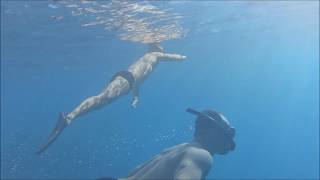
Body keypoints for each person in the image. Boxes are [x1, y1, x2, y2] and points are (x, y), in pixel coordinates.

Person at [36, 43, 187, 154]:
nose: (163, 49)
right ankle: (70, 117)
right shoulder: (154, 55)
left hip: (127, 81)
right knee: (100, 99)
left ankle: (70, 118)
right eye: (161, 47)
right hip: (126, 80)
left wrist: (135, 98)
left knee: (100, 104)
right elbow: (169, 57)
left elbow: (137, 83)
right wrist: (181, 57)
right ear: (156, 48)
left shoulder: (148, 62)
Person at [98, 108, 236, 180]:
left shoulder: (178, 149)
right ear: (212, 130)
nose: (230, 138)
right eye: (228, 131)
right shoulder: (202, 155)